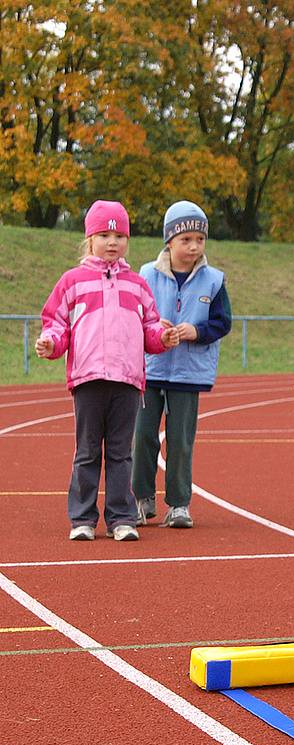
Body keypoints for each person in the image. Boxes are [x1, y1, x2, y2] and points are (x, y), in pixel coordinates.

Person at [35, 200, 179, 542]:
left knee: (120, 453)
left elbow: (150, 327)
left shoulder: (138, 285)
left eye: (119, 235)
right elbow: (56, 323)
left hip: (127, 381)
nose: (112, 242)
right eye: (104, 234)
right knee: (87, 452)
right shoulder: (72, 281)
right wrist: (51, 343)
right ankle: (82, 518)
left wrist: (164, 336)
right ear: (90, 239)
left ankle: (121, 518)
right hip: (88, 379)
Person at [131, 201, 232, 529]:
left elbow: (222, 322)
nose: (194, 246)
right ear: (169, 241)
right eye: (186, 239)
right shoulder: (145, 275)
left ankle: (178, 504)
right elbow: (134, 315)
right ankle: (141, 499)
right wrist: (155, 330)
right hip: (150, 368)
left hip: (189, 372)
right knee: (143, 435)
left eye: (200, 240)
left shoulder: (214, 281)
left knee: (180, 440)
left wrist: (197, 331)